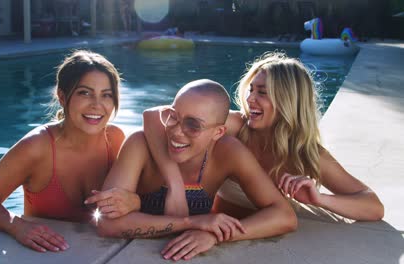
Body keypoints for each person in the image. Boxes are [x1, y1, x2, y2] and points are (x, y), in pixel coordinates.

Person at [143, 52, 384, 222]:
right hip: (214, 224)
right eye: (251, 90)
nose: (249, 99)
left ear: (288, 100)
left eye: (262, 92)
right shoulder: (237, 126)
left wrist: (320, 199)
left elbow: (373, 206)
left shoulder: (307, 154)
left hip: (260, 233)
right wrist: (175, 185)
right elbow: (154, 116)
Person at [86, 79, 296, 261]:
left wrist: (216, 235)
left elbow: (284, 216)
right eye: (173, 116)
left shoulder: (227, 152)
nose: (176, 132)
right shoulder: (140, 145)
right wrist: (190, 222)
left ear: (218, 132)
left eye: (193, 125)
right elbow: (106, 224)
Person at [0, 50, 138, 252]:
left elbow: (142, 199)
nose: (97, 105)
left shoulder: (116, 139)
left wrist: (134, 202)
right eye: (85, 92)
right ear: (62, 96)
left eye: (106, 95)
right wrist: (16, 226)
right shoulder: (37, 147)